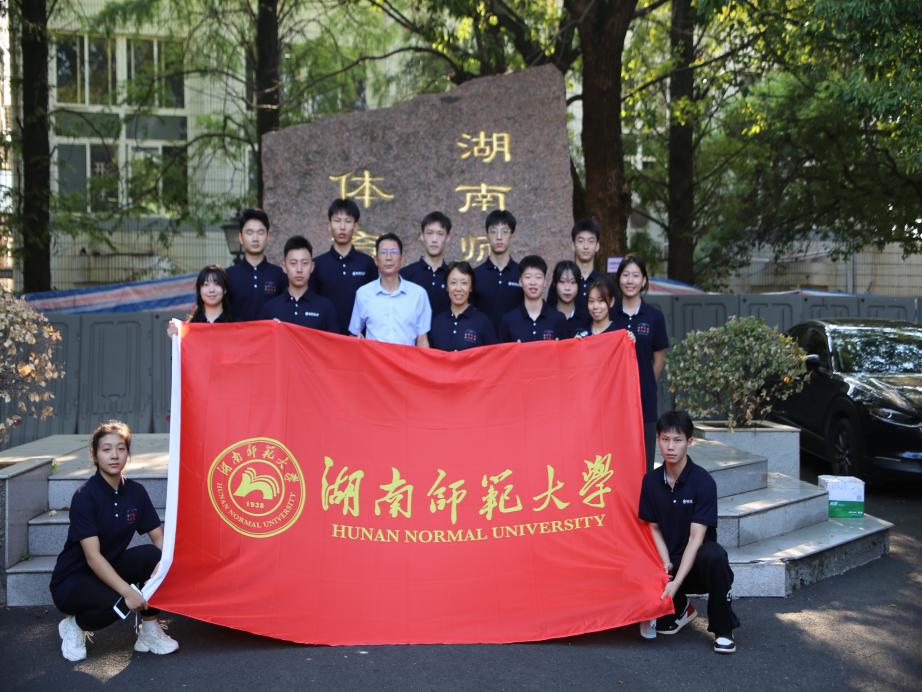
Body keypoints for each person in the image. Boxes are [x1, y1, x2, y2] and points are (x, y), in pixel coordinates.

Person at [49, 421, 179, 662]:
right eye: (106, 449)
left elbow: (158, 538)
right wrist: (128, 592)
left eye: (121, 448)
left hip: (110, 567)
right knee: (120, 604)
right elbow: (92, 557)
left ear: (128, 453)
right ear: (94, 454)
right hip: (73, 580)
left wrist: (164, 568)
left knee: (157, 557)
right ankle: (74, 625)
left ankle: (149, 630)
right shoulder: (85, 496)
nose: (114, 455)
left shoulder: (136, 492)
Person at [638, 410, 739, 654]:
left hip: (696, 565)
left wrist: (676, 582)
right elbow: (653, 528)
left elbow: (696, 538)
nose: (670, 447)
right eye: (665, 439)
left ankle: (723, 629)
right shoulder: (650, 481)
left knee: (715, 556)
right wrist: (664, 563)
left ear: (690, 442)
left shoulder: (703, 482)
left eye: (678, 440)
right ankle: (681, 605)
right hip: (667, 561)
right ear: (658, 439)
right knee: (635, 559)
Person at [610, 255, 669, 471]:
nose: (630, 281)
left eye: (635, 276)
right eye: (625, 275)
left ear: (643, 280)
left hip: (644, 399)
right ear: (618, 279)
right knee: (615, 458)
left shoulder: (654, 316)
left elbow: (659, 360)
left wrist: (641, 385)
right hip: (613, 400)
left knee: (644, 459)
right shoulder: (610, 315)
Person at [349, 233, 431, 346]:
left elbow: (422, 340)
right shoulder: (363, 293)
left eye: (394, 252)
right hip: (374, 357)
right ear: (376, 260)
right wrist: (357, 339)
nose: (388, 257)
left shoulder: (418, 294)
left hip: (405, 357)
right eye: (383, 252)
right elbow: (354, 333)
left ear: (402, 259)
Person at [309, 198, 378, 333]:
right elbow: (312, 303)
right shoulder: (317, 264)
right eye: (337, 221)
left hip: (359, 338)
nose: (342, 227)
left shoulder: (367, 263)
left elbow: (374, 304)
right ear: (329, 225)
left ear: (355, 226)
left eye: (348, 221)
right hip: (326, 337)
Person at [258, 235, 337, 332]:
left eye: (305, 263)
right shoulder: (270, 308)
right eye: (293, 263)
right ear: (284, 267)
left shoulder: (326, 307)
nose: (299, 269)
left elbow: (333, 341)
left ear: (312, 267)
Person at [225, 208, 287, 321]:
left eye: (260, 232)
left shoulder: (280, 275)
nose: (255, 238)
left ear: (268, 237)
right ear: (240, 238)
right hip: (238, 333)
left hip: (270, 333)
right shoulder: (228, 275)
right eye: (249, 232)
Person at [429, 261, 496, 351]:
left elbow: (492, 356)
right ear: (447, 287)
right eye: (453, 283)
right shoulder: (437, 323)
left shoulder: (483, 322)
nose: (458, 289)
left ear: (471, 287)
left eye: (464, 283)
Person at [498, 255, 567, 343]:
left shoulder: (558, 319)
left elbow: (567, 350)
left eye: (538, 277)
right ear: (520, 282)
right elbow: (503, 351)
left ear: (545, 282)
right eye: (528, 277)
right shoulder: (508, 320)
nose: (533, 282)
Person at [473, 209, 523, 330]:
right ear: (487, 235)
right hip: (484, 340)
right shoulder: (475, 275)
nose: (499, 237)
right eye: (493, 231)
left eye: (505, 231)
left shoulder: (522, 274)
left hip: (515, 340)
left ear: (512, 235)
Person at [400, 211, 452, 317]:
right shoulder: (405, 275)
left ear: (447, 238)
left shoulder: (452, 276)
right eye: (430, 233)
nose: (434, 239)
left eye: (440, 234)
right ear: (422, 236)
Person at [547, 219, 603, 309]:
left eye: (591, 241)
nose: (585, 246)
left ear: (597, 246)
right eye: (580, 241)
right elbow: (550, 312)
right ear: (573, 245)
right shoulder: (561, 282)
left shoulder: (605, 283)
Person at [166, 264, 232, 336]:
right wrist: (176, 335)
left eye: (217, 284)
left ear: (225, 289)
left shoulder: (235, 323)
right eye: (206, 284)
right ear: (199, 290)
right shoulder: (188, 328)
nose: (211, 290)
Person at [549, 260, 588, 337]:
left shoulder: (587, 318)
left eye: (573, 282)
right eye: (562, 282)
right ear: (554, 283)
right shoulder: (547, 317)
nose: (567, 288)